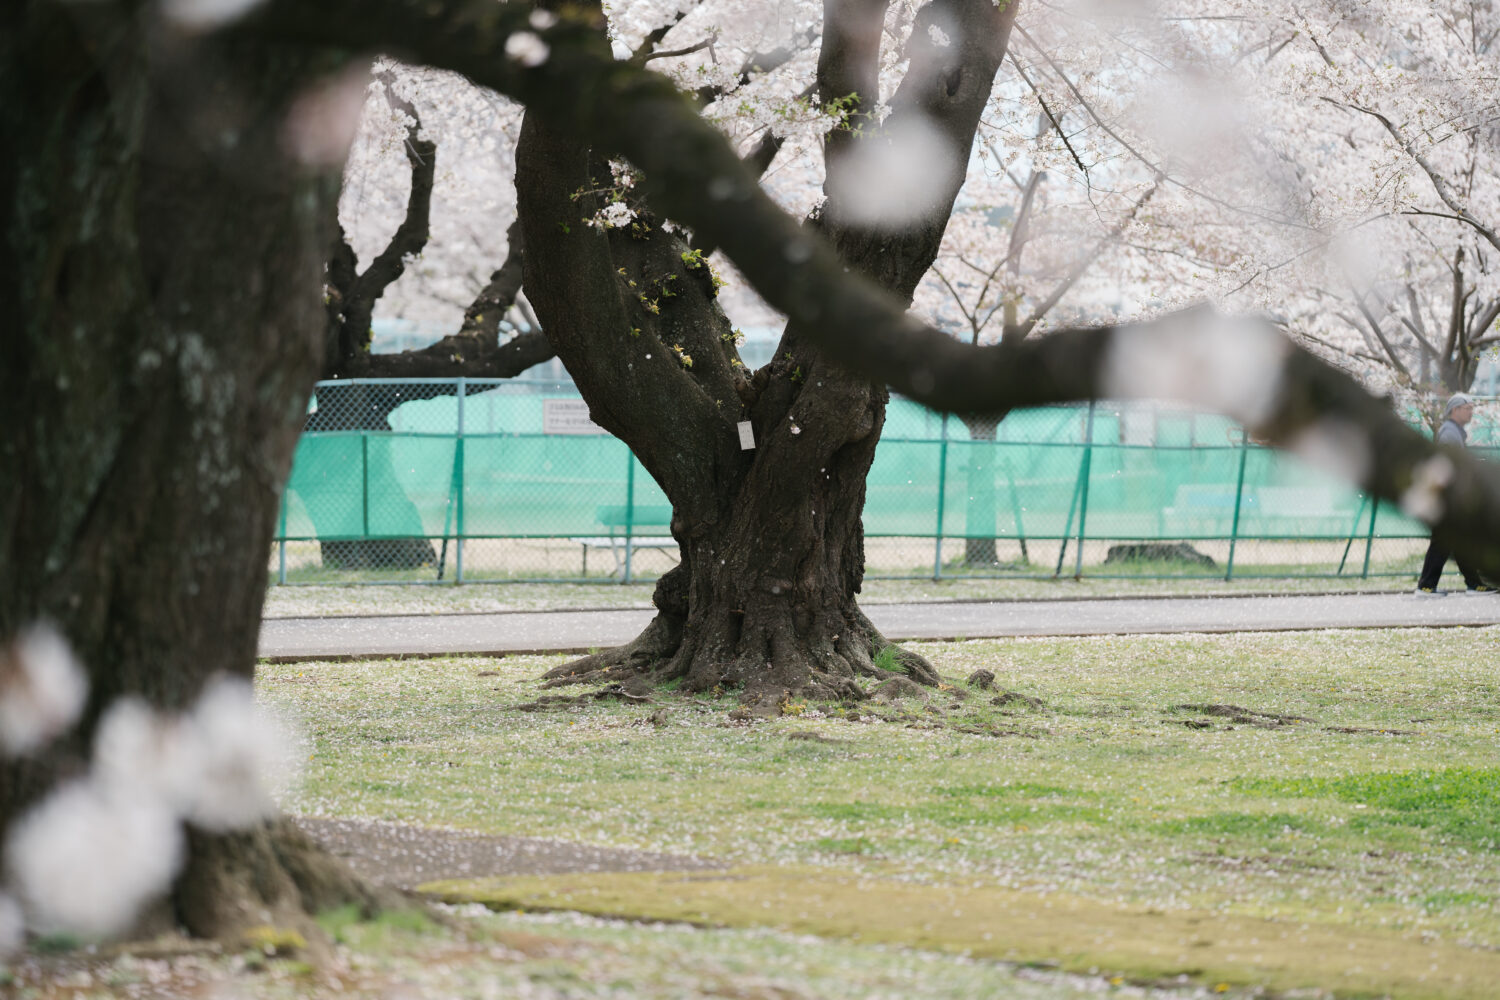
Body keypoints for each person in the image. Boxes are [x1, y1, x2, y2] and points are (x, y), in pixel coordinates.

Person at [1416, 393, 1494, 594]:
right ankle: (1426, 587)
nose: (1471, 411)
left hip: (1449, 498)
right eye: (1467, 408)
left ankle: (1472, 584)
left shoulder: (1454, 432)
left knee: (1456, 540)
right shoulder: (1450, 433)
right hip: (1448, 498)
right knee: (1443, 541)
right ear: (1455, 410)